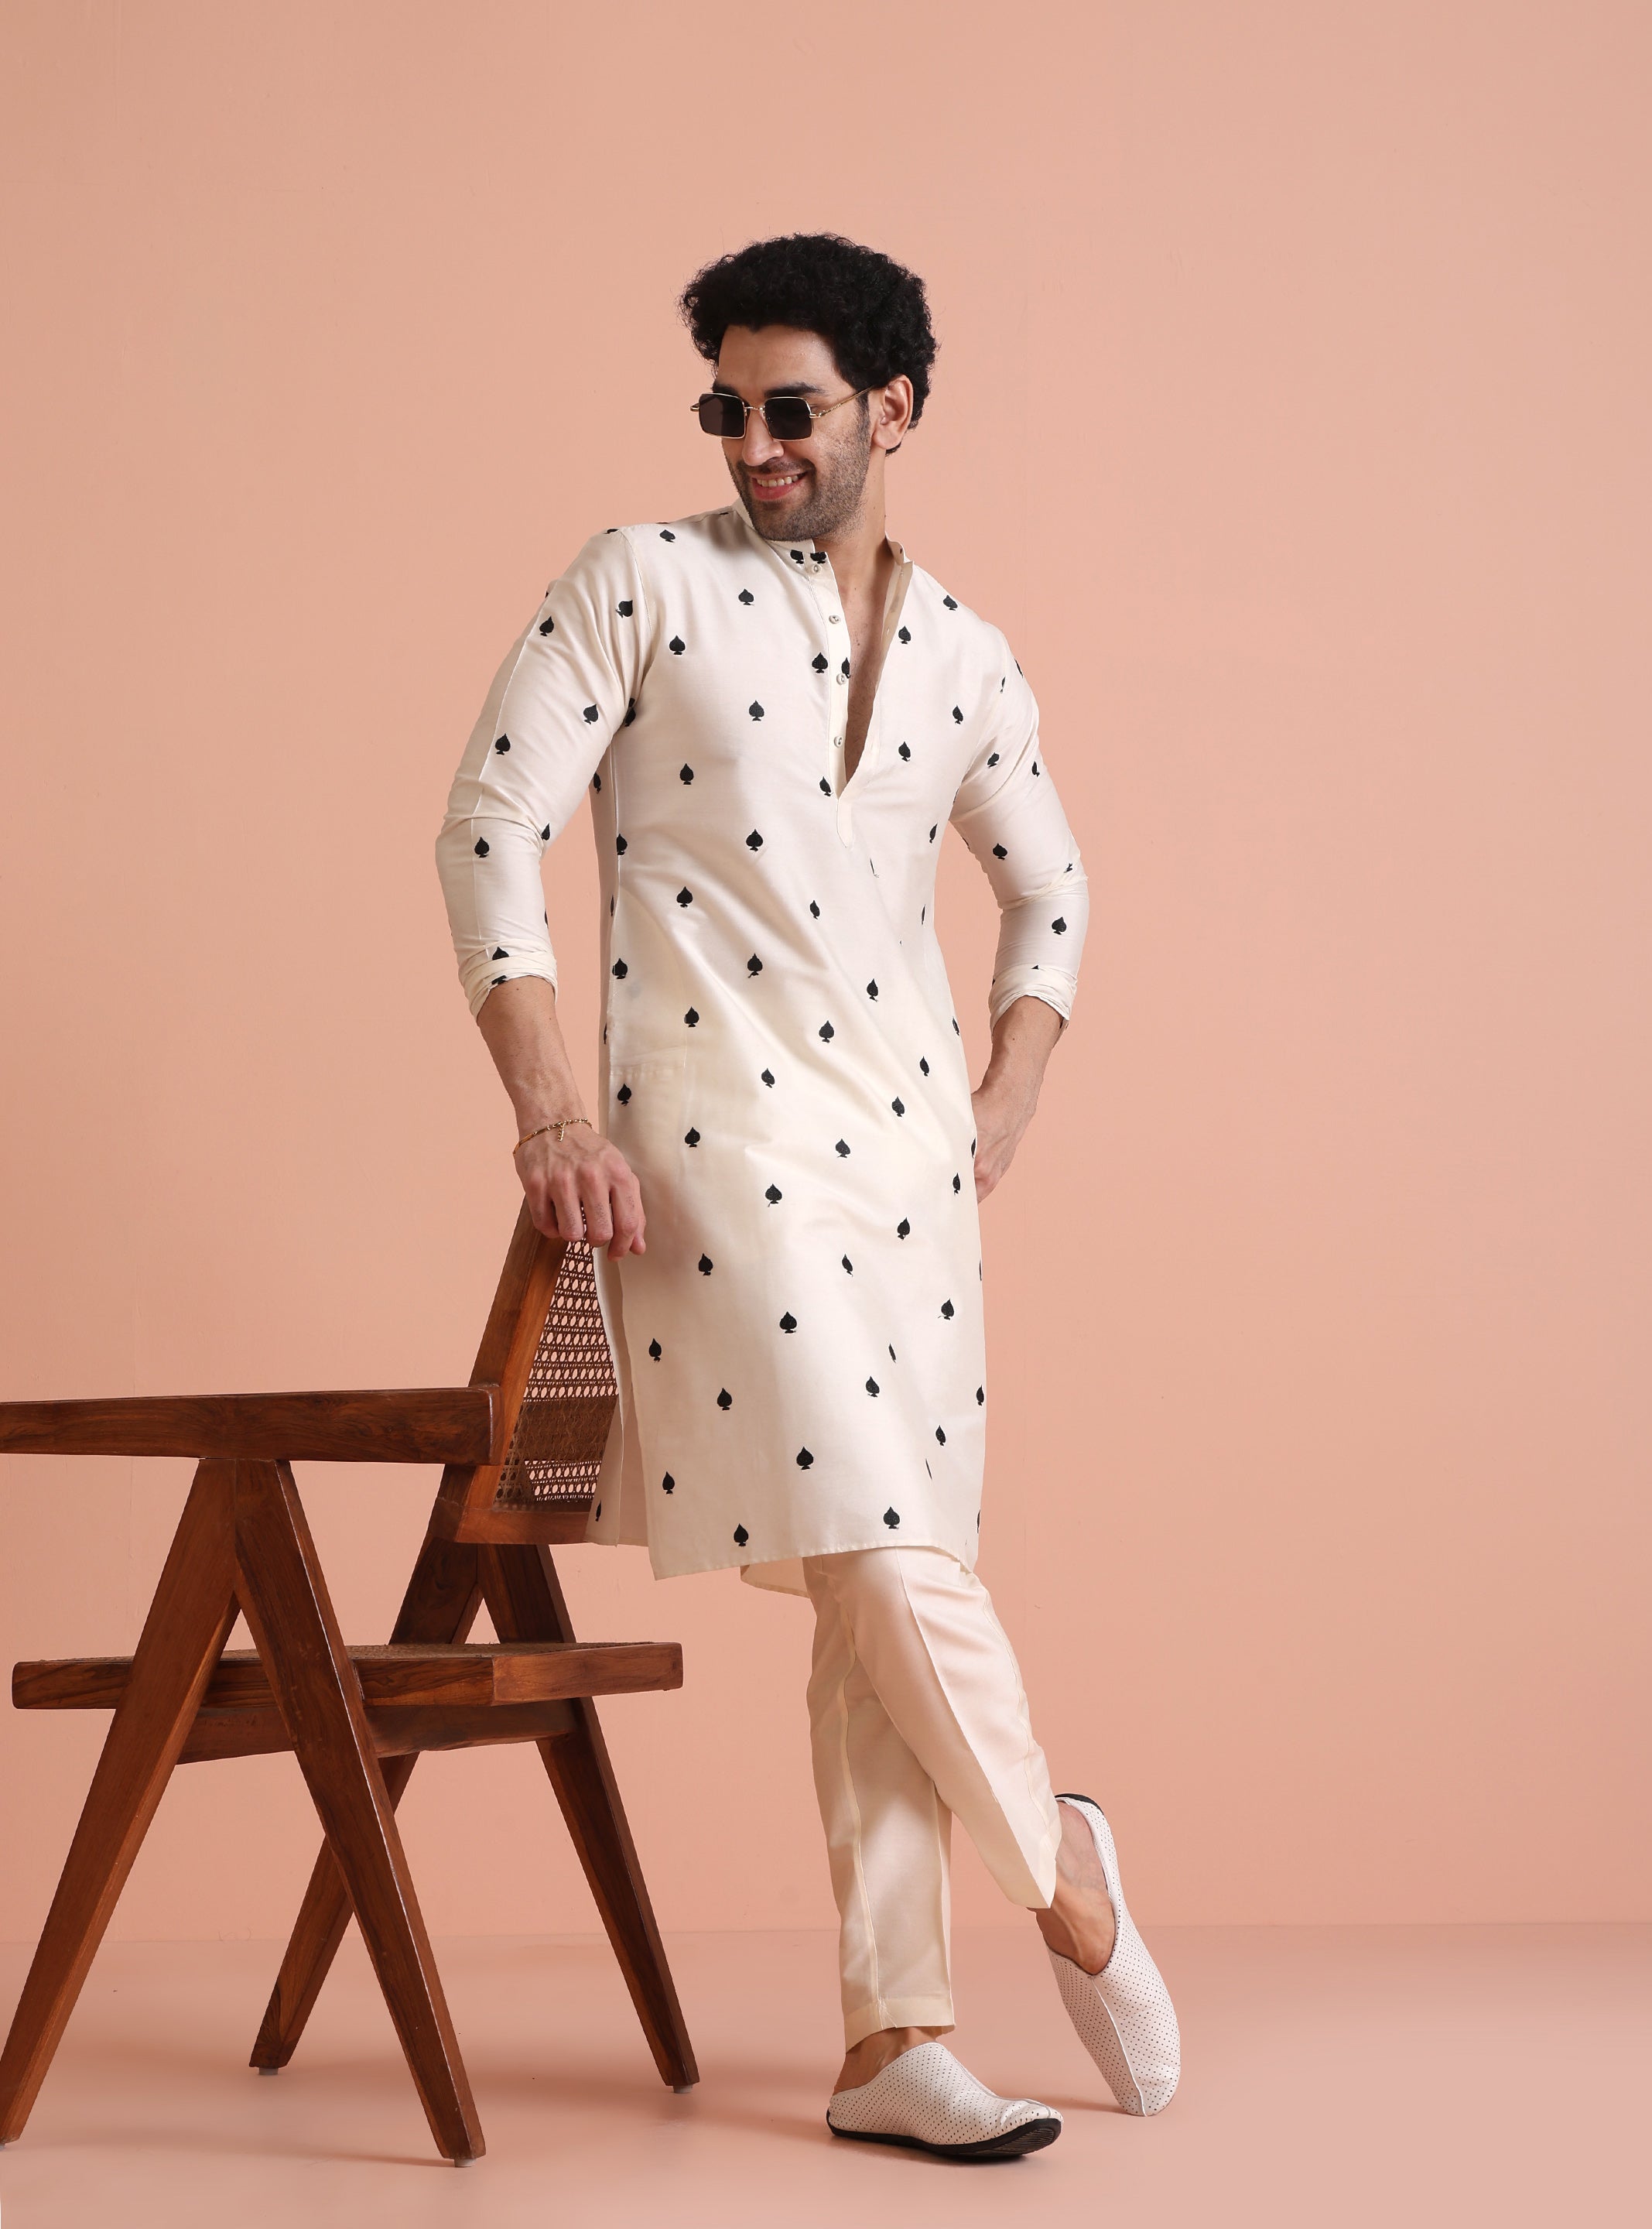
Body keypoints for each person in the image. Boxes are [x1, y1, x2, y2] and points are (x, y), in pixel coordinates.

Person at [435, 231, 1179, 2162]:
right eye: (728, 409)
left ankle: (892, 2043)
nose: (754, 445)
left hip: (913, 1174)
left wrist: (1010, 1091)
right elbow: (491, 824)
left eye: (794, 410)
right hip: (704, 1153)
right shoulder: (641, 581)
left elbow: (1052, 889)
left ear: (892, 411)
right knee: (868, 1526)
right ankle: (1068, 1882)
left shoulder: (969, 654)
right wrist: (547, 1113)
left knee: (879, 1587)